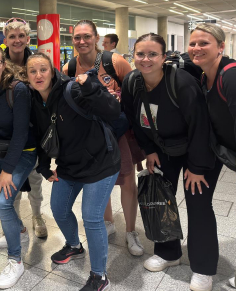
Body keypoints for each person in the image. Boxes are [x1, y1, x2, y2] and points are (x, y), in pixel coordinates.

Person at [122, 33, 221, 291]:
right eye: (140, 54)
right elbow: (134, 120)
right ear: (133, 56)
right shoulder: (132, 83)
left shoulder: (181, 83)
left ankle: (203, 268)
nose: (146, 59)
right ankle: (168, 253)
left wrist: (196, 168)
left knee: (198, 204)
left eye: (153, 54)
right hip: (161, 149)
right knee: (161, 199)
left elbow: (201, 127)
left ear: (163, 57)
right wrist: (148, 150)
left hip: (197, 150)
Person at [28, 52, 121, 291]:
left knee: (91, 218)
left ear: (52, 71)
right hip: (69, 165)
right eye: (32, 71)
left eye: (43, 69)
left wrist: (91, 87)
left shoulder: (74, 90)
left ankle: (100, 276)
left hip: (100, 162)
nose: (38, 75)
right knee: (59, 208)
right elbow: (41, 134)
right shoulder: (34, 100)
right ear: (27, 76)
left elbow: (113, 110)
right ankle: (74, 246)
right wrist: (43, 165)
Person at [65, 20, 144, 256]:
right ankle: (108, 222)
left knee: (127, 180)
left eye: (87, 36)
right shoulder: (69, 67)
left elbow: (135, 93)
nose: (82, 41)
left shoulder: (114, 62)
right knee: (99, 180)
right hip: (90, 135)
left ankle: (131, 231)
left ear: (96, 38)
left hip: (118, 132)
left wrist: (116, 98)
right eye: (77, 37)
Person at [0, 44, 36, 289]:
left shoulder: (18, 89)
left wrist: (8, 170)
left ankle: (15, 260)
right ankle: (19, 230)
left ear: (4, 64)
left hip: (22, 152)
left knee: (3, 203)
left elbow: (21, 133)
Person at [188, 24, 236, 289]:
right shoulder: (202, 75)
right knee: (197, 198)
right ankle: (203, 268)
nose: (196, 48)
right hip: (218, 147)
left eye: (204, 43)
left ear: (221, 47)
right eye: (193, 43)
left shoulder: (231, 76)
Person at [0, 18, 47, 241]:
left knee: (35, 180)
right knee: (12, 181)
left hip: (34, 133)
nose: (17, 40)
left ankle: (37, 216)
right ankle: (15, 221)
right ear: (6, 40)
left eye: (21, 36)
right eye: (12, 36)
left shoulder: (37, 61)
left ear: (28, 39)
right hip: (8, 134)